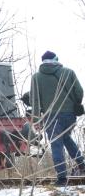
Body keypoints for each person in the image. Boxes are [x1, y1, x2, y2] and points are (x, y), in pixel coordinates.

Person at [31, 51, 85, 185]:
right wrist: (72, 103)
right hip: (69, 115)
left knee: (56, 145)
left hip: (51, 116)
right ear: (55, 60)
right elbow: (79, 92)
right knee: (66, 138)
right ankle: (82, 164)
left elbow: (35, 100)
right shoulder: (68, 72)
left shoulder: (36, 77)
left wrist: (36, 119)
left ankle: (61, 178)